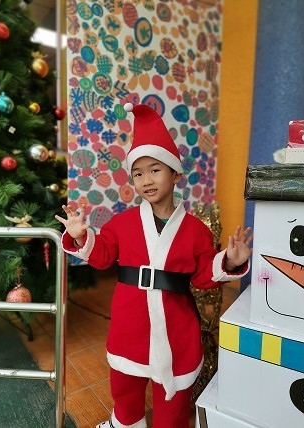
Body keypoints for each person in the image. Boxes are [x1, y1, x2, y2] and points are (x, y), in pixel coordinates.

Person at [56, 103, 252, 428]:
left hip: (176, 325)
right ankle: (125, 424)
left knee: (172, 400)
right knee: (125, 389)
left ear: (175, 174)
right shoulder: (123, 223)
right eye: (138, 173)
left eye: (155, 170)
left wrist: (229, 261)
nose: (146, 180)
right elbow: (102, 256)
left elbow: (203, 275)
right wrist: (80, 237)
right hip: (129, 323)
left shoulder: (196, 231)